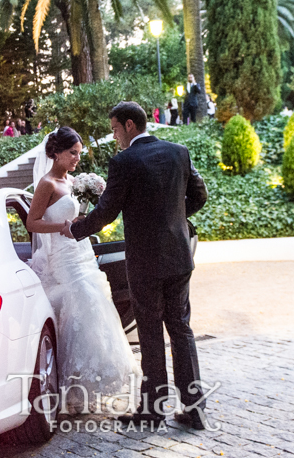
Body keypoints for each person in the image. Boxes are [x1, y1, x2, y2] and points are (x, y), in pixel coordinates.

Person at [63, 102, 210, 430]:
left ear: (130, 125)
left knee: (151, 333)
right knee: (181, 329)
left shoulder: (125, 161)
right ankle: (195, 409)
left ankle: (153, 411)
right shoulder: (178, 152)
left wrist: (75, 229)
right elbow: (199, 195)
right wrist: (174, 217)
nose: (115, 136)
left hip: (146, 261)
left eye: (115, 129)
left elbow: (106, 212)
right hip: (178, 256)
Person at [26, 128, 140, 414]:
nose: (77, 157)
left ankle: (88, 386)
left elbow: (77, 216)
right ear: (56, 153)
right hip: (63, 259)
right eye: (72, 153)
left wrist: (81, 221)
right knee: (80, 308)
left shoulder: (74, 181)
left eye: (79, 152)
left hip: (83, 253)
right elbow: (32, 223)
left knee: (96, 311)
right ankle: (71, 389)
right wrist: (62, 228)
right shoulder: (47, 184)